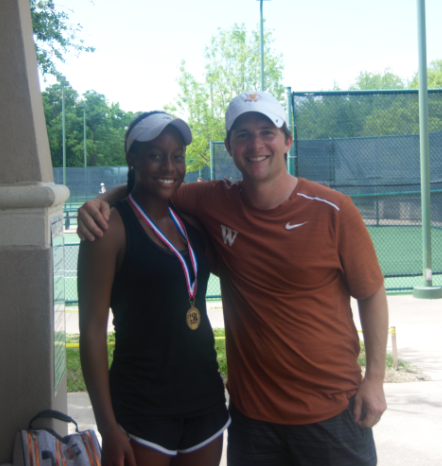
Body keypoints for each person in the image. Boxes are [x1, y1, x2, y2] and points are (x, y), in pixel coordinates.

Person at [77, 91, 388, 466]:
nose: (255, 144)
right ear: (229, 146)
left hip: (331, 412)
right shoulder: (213, 201)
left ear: (287, 140)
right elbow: (152, 188)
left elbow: (371, 294)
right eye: (243, 134)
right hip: (252, 418)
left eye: (267, 132)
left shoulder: (335, 210)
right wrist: (102, 202)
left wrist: (375, 379)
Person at [78, 111, 229, 466]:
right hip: (142, 408)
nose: (169, 166)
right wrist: (107, 426)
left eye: (177, 156)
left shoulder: (191, 222)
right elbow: (91, 332)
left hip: (205, 402)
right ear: (131, 159)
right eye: (155, 155)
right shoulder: (107, 229)